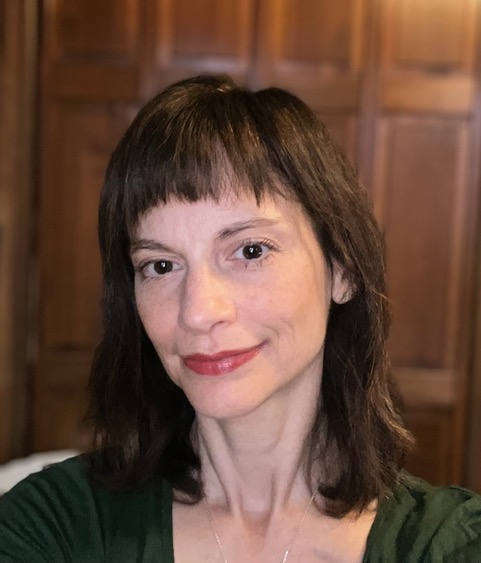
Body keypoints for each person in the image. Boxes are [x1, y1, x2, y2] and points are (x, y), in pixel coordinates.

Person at [0, 75, 480, 562]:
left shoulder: (449, 546)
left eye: (250, 251)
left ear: (342, 268)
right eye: (161, 266)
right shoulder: (53, 528)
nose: (199, 311)